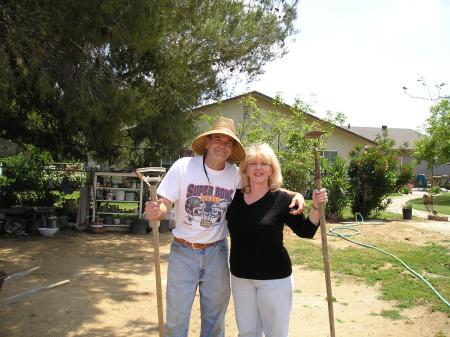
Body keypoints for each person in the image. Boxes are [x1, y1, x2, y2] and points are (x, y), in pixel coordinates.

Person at [145, 117, 305, 337]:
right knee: (176, 318)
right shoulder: (184, 166)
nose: (222, 145)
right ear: (208, 142)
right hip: (183, 251)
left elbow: (265, 187)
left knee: (214, 319)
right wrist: (158, 211)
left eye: (228, 142)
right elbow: (165, 204)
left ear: (232, 149)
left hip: (216, 253)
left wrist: (297, 195)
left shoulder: (234, 175)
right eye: (217, 139)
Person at [226, 143, 328, 337]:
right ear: (245, 169)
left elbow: (306, 231)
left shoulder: (282, 199)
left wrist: (315, 206)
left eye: (264, 164)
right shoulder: (235, 197)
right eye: (253, 163)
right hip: (241, 277)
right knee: (247, 332)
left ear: (272, 169)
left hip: (274, 279)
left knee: (276, 333)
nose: (258, 168)